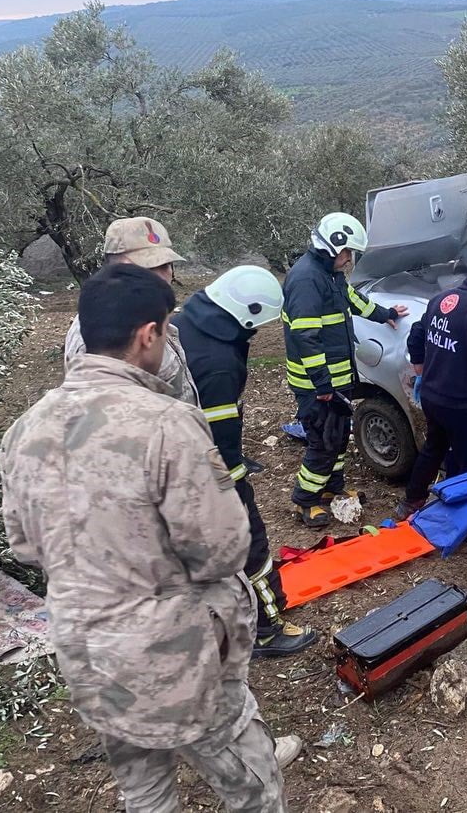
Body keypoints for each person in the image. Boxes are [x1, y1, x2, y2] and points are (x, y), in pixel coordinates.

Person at [0, 264, 297, 813]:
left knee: (144, 788)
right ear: (148, 334)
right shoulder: (167, 424)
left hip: (89, 656)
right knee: (253, 785)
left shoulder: (26, 428)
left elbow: (25, 546)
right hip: (175, 661)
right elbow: (222, 550)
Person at [174, 266, 318, 658]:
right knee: (250, 545)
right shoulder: (219, 363)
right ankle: (268, 630)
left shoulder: (182, 324)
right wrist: (237, 484)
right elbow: (219, 439)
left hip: (175, 469)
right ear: (247, 316)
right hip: (208, 470)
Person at [282, 212, 407, 527]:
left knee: (338, 437)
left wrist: (385, 313)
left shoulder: (330, 275)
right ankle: (305, 500)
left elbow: (352, 300)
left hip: (336, 380)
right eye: (347, 252)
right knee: (322, 442)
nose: (350, 259)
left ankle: (332, 488)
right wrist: (323, 386)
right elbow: (305, 338)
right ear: (330, 246)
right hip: (317, 386)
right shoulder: (306, 279)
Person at [395, 246, 467, 549]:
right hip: (462, 403)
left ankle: (411, 503)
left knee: (434, 448)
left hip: (432, 396)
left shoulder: (440, 299)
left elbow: (416, 335)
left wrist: (422, 369)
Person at [63, 217, 197, 405]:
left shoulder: (152, 312)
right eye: (148, 267)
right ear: (116, 268)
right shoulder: (96, 330)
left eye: (166, 265)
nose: (161, 276)